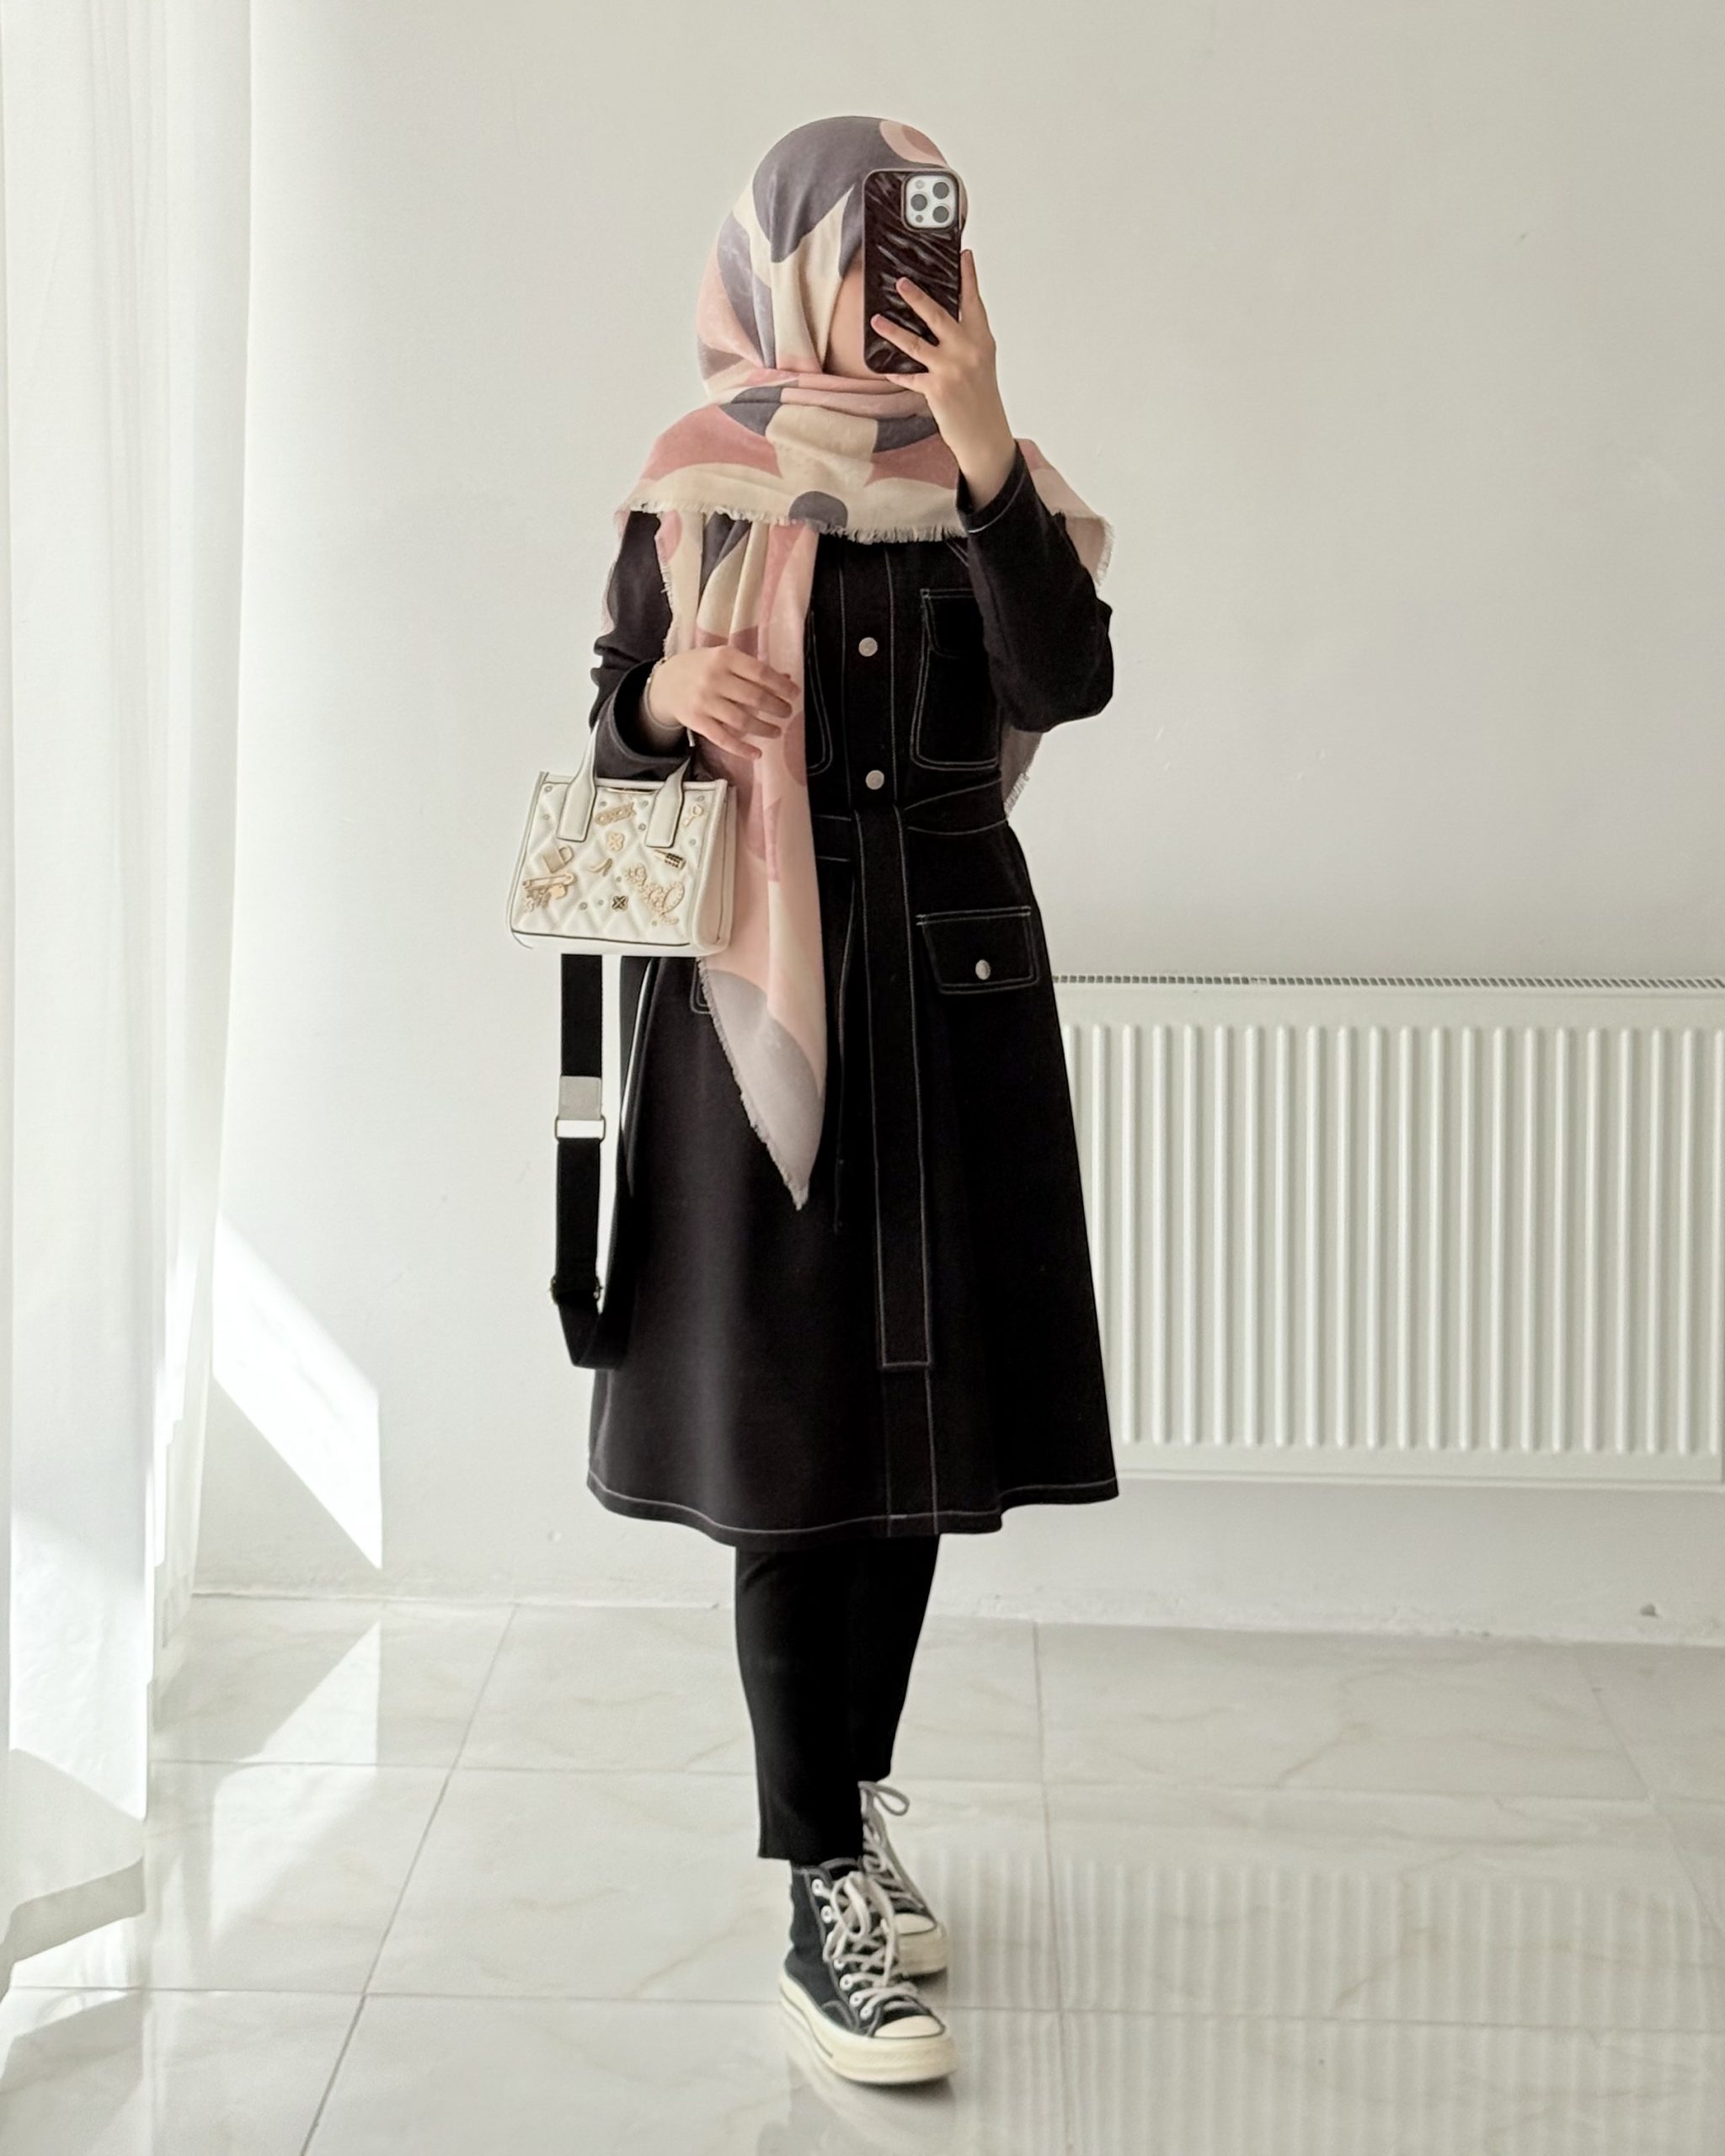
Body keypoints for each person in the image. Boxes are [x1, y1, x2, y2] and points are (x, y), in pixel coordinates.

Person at [579, 114, 1119, 2087]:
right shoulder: (694, 483)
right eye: (871, 250)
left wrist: (981, 444)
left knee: (907, 1439)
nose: (905, 287)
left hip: (951, 1005)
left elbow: (1065, 676)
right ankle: (817, 1879)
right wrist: (666, 706)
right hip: (755, 1023)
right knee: (795, 1454)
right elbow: (611, 736)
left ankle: (852, 1806)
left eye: (931, 250)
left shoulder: (998, 485)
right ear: (789, 262)